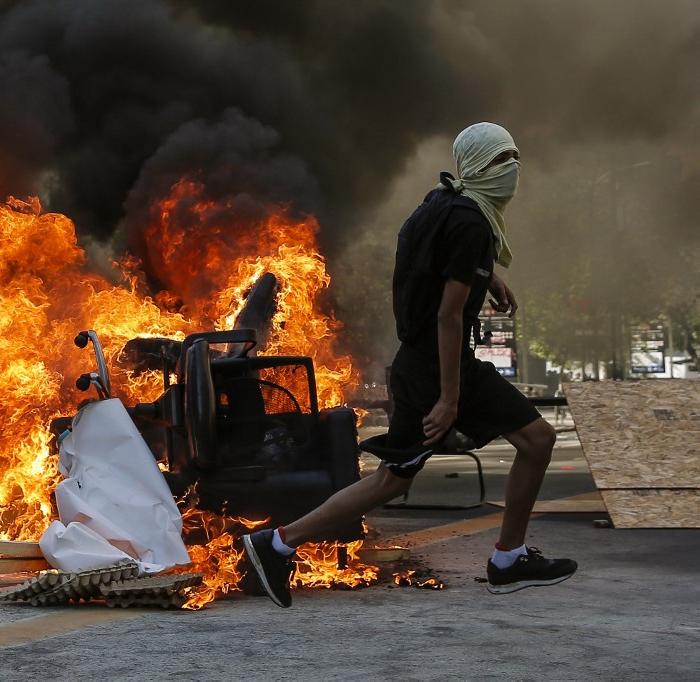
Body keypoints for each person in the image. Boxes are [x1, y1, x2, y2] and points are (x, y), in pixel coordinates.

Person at [243, 123, 576, 607]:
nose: (513, 171)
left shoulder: (440, 202)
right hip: (434, 366)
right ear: (478, 167)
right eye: (503, 160)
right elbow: (448, 314)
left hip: (424, 360)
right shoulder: (473, 225)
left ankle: (509, 556)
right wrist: (448, 396)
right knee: (397, 477)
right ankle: (275, 543)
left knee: (526, 442)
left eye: (515, 158)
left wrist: (490, 278)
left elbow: (437, 261)